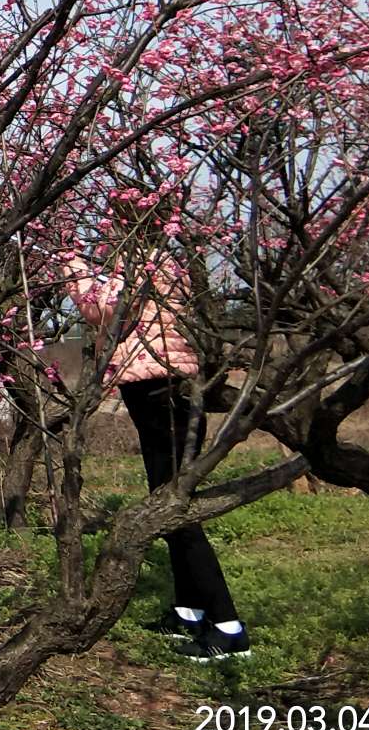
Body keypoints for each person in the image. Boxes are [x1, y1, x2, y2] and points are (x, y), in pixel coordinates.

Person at [60, 191, 250, 662]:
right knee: (166, 498)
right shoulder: (165, 261)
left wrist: (70, 266)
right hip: (162, 387)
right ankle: (188, 611)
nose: (105, 231)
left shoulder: (147, 264)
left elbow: (101, 311)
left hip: (163, 390)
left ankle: (228, 626)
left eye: (112, 222)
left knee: (175, 508)